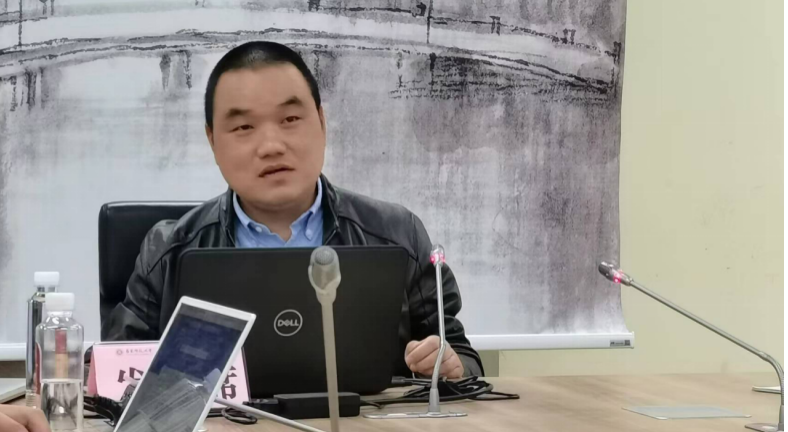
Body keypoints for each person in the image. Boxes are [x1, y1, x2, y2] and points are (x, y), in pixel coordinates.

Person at [101, 41, 483, 379]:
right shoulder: (168, 251)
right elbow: (112, 378)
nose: (271, 145)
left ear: (322, 122)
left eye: (290, 119)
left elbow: (463, 360)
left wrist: (451, 368)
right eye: (244, 127)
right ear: (213, 141)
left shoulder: (398, 235)